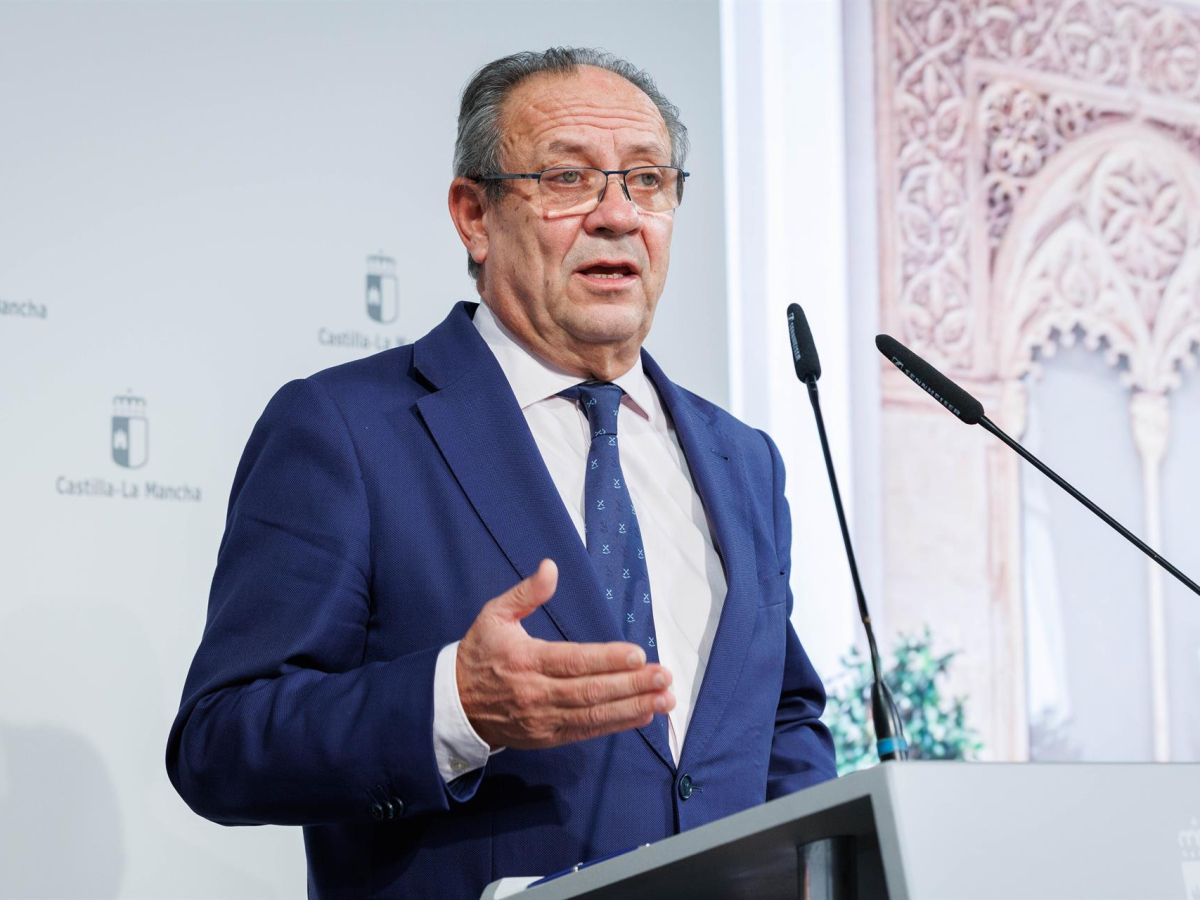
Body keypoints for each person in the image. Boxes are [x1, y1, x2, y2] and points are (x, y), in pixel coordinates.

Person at [166, 47, 836, 899]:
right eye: (567, 178)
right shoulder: (347, 430)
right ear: (474, 216)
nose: (617, 215)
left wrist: (814, 863)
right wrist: (455, 704)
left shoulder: (742, 458)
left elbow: (779, 714)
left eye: (647, 180)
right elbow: (221, 743)